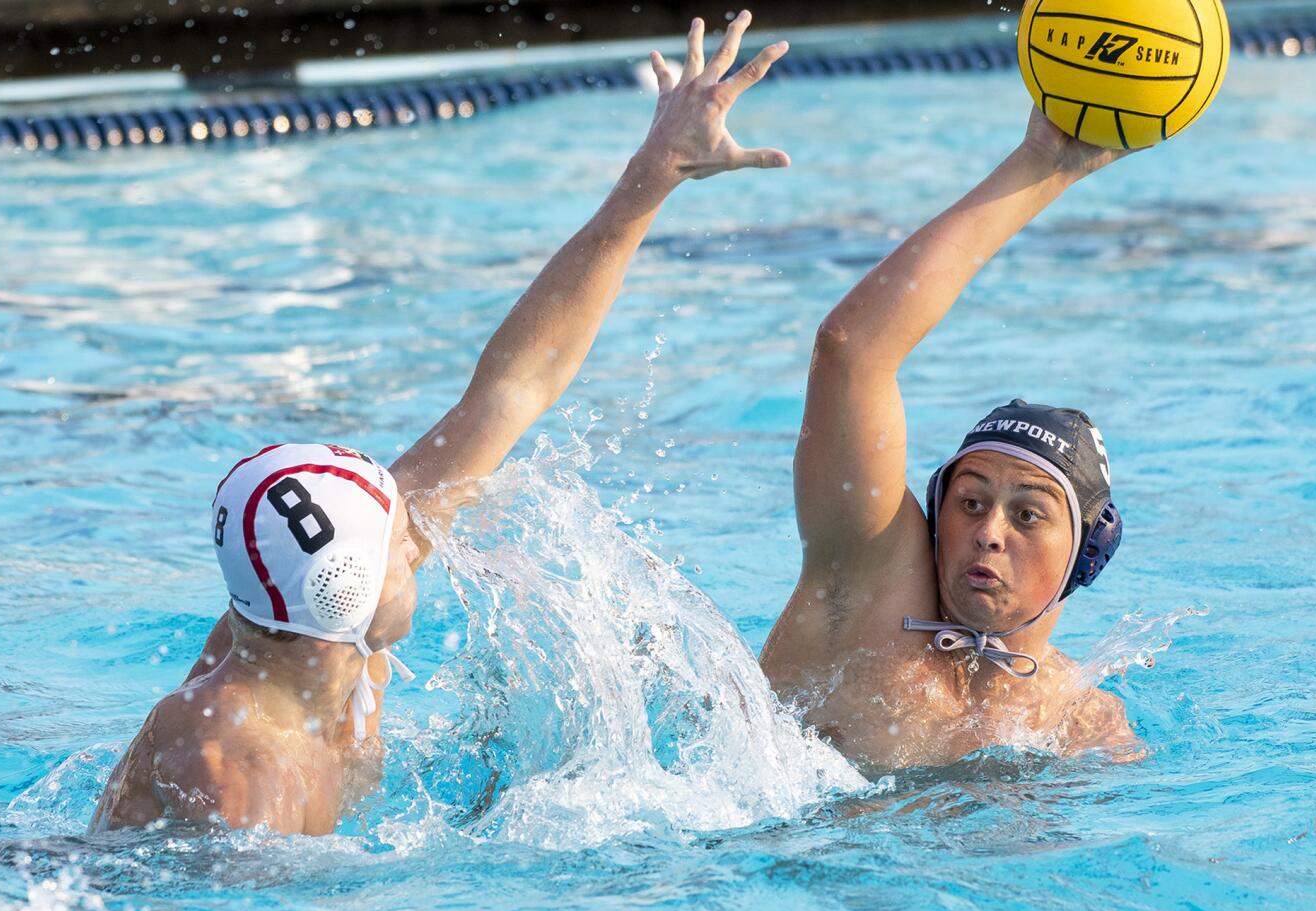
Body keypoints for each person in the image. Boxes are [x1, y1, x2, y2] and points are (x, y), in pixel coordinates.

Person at [90, 11, 791, 835]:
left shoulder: (313, 627)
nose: (420, 540)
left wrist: (655, 173)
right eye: (398, 546)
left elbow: (512, 391)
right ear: (341, 590)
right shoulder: (230, 771)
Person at [758, 109, 1143, 774]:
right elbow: (852, 351)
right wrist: (1041, 168)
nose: (989, 531)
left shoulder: (1082, 719)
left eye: (1027, 514)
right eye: (969, 503)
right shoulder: (861, 599)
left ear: (1086, 555)